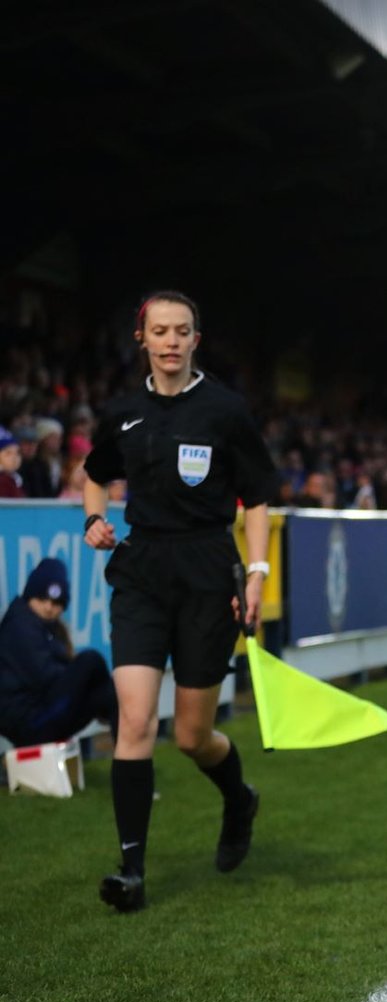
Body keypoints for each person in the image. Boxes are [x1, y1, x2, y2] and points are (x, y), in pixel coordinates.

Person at [82, 290, 279, 913]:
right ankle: (131, 872)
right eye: (160, 330)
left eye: (182, 330)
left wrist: (255, 573)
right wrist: (95, 521)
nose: (171, 340)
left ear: (197, 339)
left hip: (206, 574)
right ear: (142, 337)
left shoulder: (226, 411)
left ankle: (238, 798)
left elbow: (259, 498)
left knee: (193, 736)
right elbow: (95, 475)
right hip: (140, 572)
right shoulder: (121, 411)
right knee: (135, 722)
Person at [0, 559, 117, 746]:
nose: (48, 607)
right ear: (29, 596)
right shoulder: (19, 625)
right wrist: (77, 680)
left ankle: (128, 761)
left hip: (41, 714)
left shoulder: (48, 629)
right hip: (28, 724)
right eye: (41, 599)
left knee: (107, 695)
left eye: (56, 603)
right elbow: (45, 677)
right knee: (90, 661)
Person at [0, 426, 24, 498]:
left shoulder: (15, 479)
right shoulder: (3, 481)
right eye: (8, 453)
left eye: (17, 453)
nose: (14, 458)